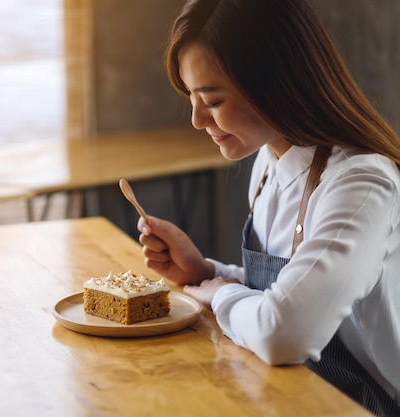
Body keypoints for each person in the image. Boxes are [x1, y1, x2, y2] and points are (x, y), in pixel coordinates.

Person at [137, 0, 400, 415]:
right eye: (191, 97)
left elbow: (284, 333)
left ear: (279, 83)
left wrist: (222, 294)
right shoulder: (268, 163)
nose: (197, 120)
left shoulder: (361, 184)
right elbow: (291, 290)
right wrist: (207, 273)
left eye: (213, 100)